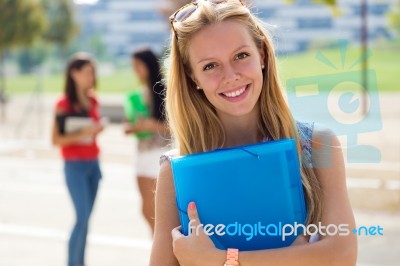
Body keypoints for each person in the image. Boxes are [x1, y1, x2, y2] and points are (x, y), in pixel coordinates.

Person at [150, 1, 357, 265]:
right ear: (193, 78)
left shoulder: (316, 146)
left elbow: (343, 255)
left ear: (262, 54)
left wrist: (222, 259)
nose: (231, 75)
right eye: (210, 66)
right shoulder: (175, 173)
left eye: (240, 56)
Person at [51, 53, 104, 266]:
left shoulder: (93, 100)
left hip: (94, 164)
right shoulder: (63, 104)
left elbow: (92, 133)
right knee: (81, 218)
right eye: (87, 72)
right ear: (74, 74)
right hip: (74, 167)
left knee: (86, 221)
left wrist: (96, 130)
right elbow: (56, 140)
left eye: (92, 72)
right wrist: (83, 132)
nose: (91, 76)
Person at [124, 49, 170, 234]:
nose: (135, 70)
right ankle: (158, 248)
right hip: (142, 153)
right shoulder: (135, 95)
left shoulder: (165, 90)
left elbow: (177, 126)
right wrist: (135, 126)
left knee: (159, 211)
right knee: (146, 210)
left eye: (137, 65)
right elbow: (128, 126)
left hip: (161, 153)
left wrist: (154, 126)